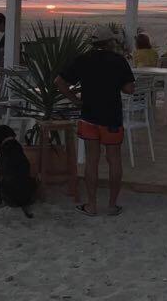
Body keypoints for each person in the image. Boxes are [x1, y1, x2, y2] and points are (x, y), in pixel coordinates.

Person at [55, 26, 135, 216]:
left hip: (89, 115)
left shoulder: (83, 60)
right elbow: (129, 89)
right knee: (114, 159)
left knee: (92, 160)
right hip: (111, 117)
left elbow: (59, 81)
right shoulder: (118, 61)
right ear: (110, 42)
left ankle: (91, 205)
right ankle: (112, 205)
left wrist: (75, 100)